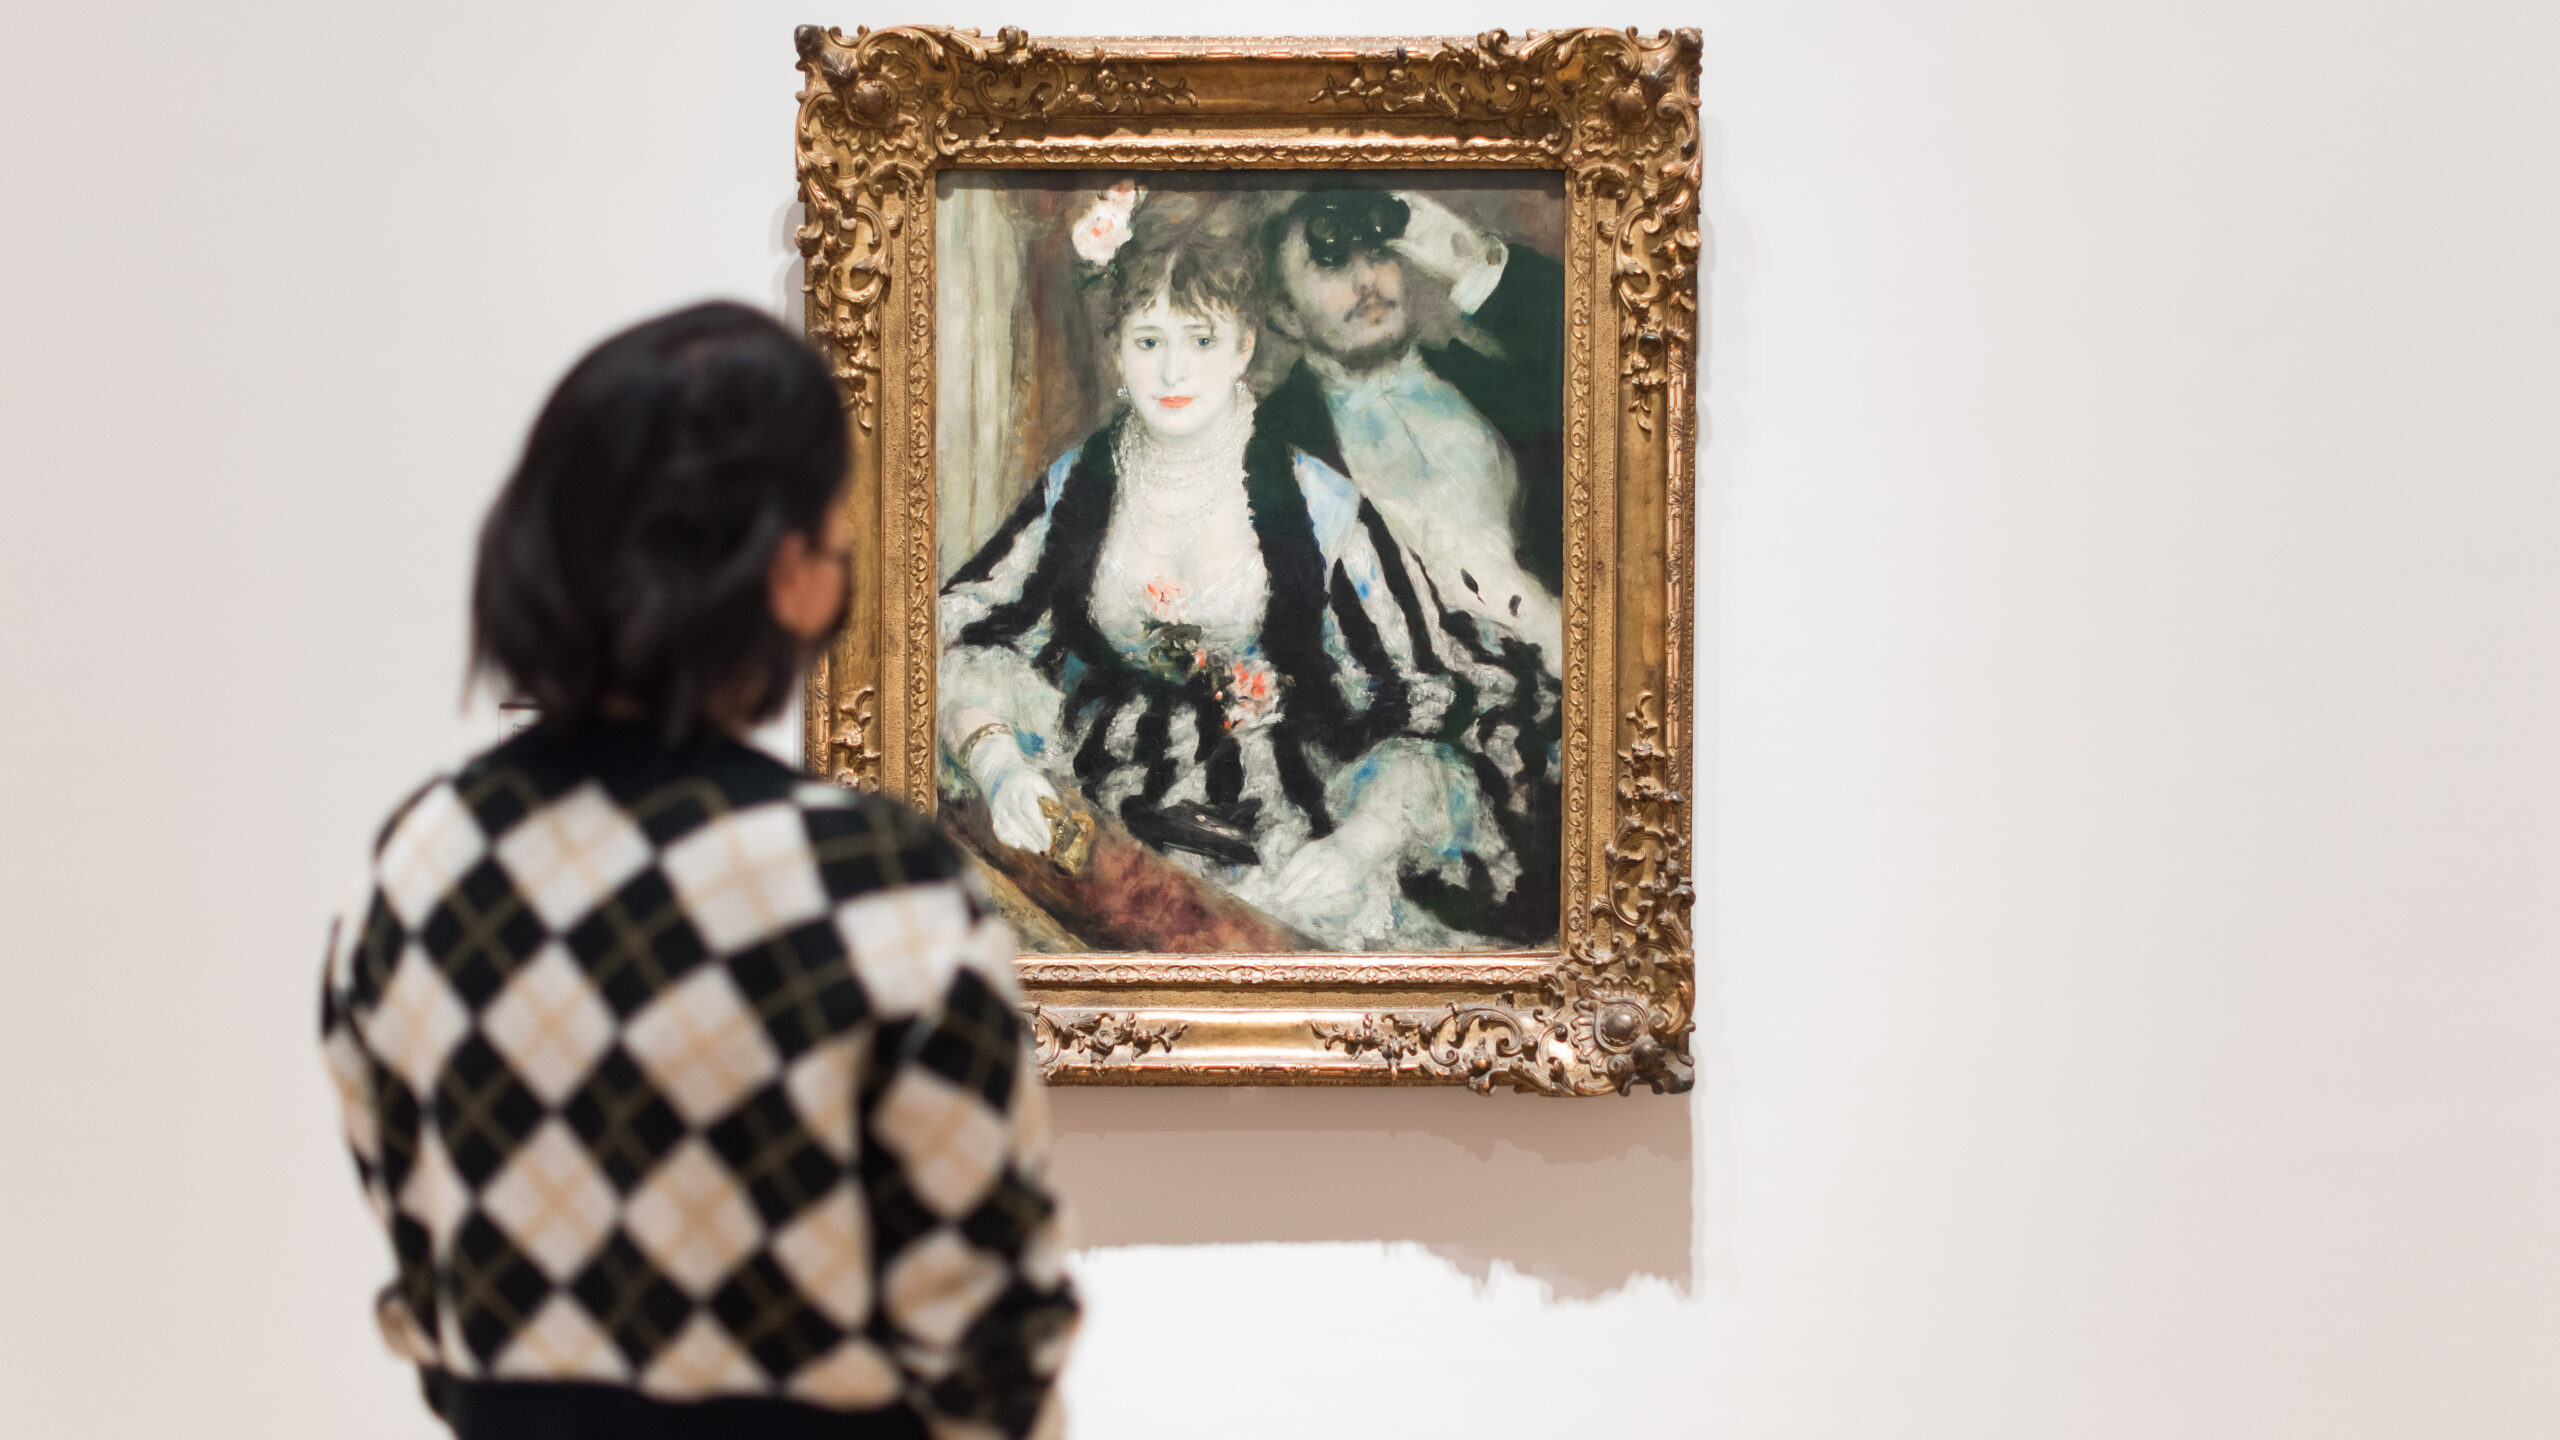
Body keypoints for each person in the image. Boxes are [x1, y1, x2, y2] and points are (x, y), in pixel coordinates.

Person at [318, 302, 1076, 1440]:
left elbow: (425, 1289)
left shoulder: (420, 865)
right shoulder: (868, 887)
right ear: (788, 573)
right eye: (837, 532)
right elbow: (990, 1340)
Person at [938, 194, 1560, 950]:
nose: (1172, 371)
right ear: (1116, 353)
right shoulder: (1080, 484)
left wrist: (1358, 846)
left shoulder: (1315, 499)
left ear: (1243, 348)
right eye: (1147, 341)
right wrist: (1000, 762)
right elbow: (977, 625)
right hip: (1106, 817)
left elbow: (1416, 695)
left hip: (1281, 830)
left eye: (1201, 340)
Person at [1256, 187, 1568, 675]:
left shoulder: (1495, 385)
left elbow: (1613, 366)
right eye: (1332, 264)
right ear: (1286, 314)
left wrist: (1467, 259)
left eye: (1380, 254)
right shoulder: (1270, 445)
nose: (1366, 280)